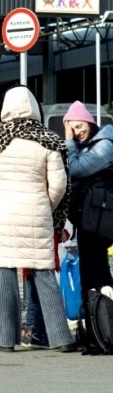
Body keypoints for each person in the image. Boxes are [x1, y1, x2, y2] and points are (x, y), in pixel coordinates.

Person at [0, 86, 76, 352]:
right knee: (43, 272)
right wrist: (45, 203)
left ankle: (6, 340)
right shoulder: (48, 139)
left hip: (2, 212)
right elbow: (59, 185)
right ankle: (61, 338)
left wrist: (0, 193)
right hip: (37, 209)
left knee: (4, 274)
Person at [62, 100, 113, 300]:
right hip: (91, 217)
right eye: (72, 129)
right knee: (95, 272)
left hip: (99, 219)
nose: (76, 132)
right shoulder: (86, 146)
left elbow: (74, 169)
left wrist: (68, 140)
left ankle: (102, 321)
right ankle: (100, 323)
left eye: (79, 126)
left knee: (95, 274)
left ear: (89, 122)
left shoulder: (105, 145)